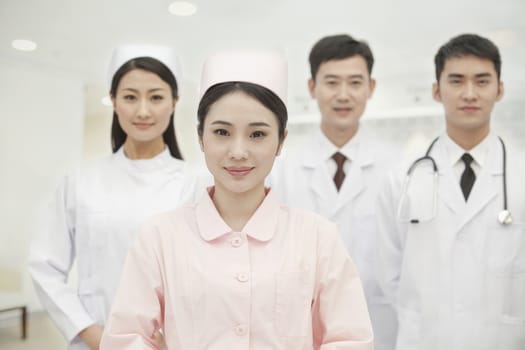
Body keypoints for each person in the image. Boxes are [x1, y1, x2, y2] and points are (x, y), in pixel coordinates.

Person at [100, 49, 374, 349]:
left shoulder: (318, 237)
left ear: (281, 140)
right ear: (201, 137)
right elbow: (125, 338)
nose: (238, 151)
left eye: (257, 134)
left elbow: (350, 340)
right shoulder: (160, 237)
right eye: (222, 132)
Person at [29, 45, 198, 350]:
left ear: (175, 102)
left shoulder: (197, 183)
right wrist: (92, 334)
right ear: (114, 101)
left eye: (156, 97)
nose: (143, 111)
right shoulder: (80, 181)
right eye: (130, 97)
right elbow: (45, 266)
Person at [376, 33, 525, 349]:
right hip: (427, 339)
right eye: (456, 81)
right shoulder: (401, 178)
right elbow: (390, 275)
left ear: (499, 90)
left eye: (482, 81)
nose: (469, 93)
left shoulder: (521, 174)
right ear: (436, 90)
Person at [268, 34, 398, 349]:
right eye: (331, 83)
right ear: (312, 87)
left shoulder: (398, 169)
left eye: (355, 83)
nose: (343, 95)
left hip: (377, 326)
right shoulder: (281, 169)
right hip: (298, 328)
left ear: (371, 87)